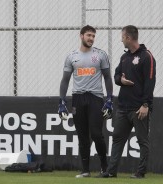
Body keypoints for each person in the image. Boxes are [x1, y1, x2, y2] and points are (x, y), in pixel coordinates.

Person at [100, 25, 156, 179]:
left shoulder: (147, 57)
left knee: (142, 141)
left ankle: (140, 172)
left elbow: (150, 83)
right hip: (123, 108)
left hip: (139, 108)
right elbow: (116, 76)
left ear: (129, 38)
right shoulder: (124, 57)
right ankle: (111, 172)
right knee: (117, 139)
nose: (121, 40)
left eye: (122, 37)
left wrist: (146, 105)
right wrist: (121, 81)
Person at [58, 25, 113, 178]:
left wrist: (109, 99)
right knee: (82, 135)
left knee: (96, 134)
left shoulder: (100, 55)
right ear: (81, 36)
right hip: (77, 98)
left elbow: (108, 78)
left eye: (93, 36)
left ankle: (104, 168)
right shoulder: (71, 56)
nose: (91, 38)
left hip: (95, 98)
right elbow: (65, 81)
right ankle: (85, 170)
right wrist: (61, 102)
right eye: (89, 35)